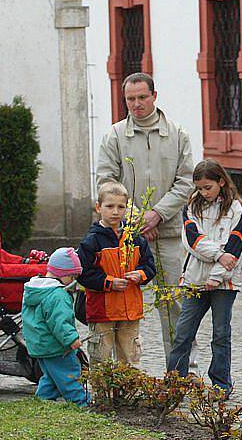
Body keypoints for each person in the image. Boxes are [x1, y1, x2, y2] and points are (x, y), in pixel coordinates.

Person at [95, 71, 197, 371]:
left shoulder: (177, 134)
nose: (136, 104)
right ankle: (122, 372)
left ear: (154, 96)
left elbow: (186, 181)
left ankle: (181, 370)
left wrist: (157, 215)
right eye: (130, 99)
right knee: (120, 303)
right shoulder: (114, 136)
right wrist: (138, 221)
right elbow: (106, 182)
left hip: (166, 234)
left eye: (142, 97)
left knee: (173, 304)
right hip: (124, 237)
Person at [167, 160, 242, 397]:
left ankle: (221, 384)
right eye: (199, 188)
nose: (203, 192)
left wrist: (218, 275)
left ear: (221, 182)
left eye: (207, 187)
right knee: (183, 332)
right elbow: (192, 240)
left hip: (225, 283)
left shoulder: (235, 208)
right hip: (194, 279)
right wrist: (219, 255)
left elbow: (237, 246)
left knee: (221, 334)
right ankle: (176, 382)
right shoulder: (191, 206)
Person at [77, 181, 156, 366]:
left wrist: (140, 275)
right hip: (102, 311)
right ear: (99, 207)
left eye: (121, 207)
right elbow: (83, 273)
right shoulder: (91, 241)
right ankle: (102, 395)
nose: (115, 212)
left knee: (130, 358)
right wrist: (108, 282)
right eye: (110, 206)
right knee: (101, 359)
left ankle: (127, 394)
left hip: (130, 311)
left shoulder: (135, 238)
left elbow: (150, 266)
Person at [22, 247, 89, 406]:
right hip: (57, 346)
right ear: (64, 273)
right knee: (69, 375)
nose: (73, 280)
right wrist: (71, 340)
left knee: (51, 377)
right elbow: (60, 322)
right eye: (73, 276)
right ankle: (81, 403)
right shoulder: (57, 294)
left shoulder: (35, 289)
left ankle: (42, 402)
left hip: (40, 345)